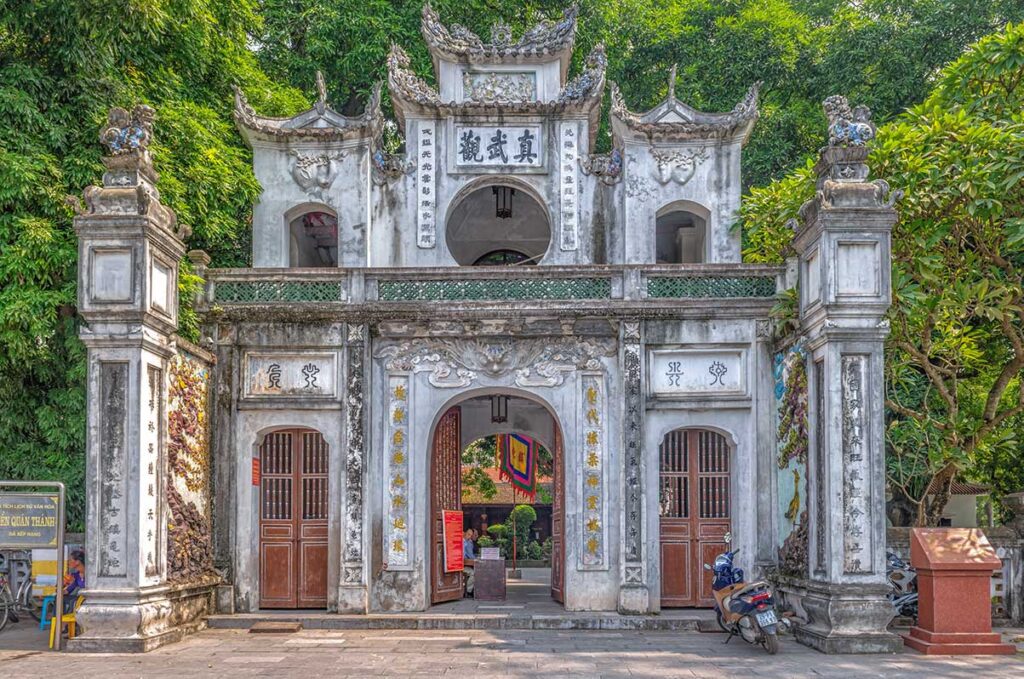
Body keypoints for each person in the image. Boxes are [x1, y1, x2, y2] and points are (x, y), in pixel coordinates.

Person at [62, 549, 85, 613]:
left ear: (77, 561)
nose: (68, 562)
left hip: (88, 600)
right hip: (81, 600)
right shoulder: (76, 576)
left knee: (73, 602)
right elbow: (69, 589)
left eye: (70, 560)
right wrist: (63, 587)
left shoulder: (89, 574)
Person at [462, 529, 476, 597]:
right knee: (473, 573)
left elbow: (470, 555)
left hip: (465, 563)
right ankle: (467, 590)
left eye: (471, 535)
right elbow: (469, 555)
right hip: (458, 565)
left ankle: (471, 590)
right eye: (468, 534)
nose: (469, 536)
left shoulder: (468, 542)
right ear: (464, 533)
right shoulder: (462, 541)